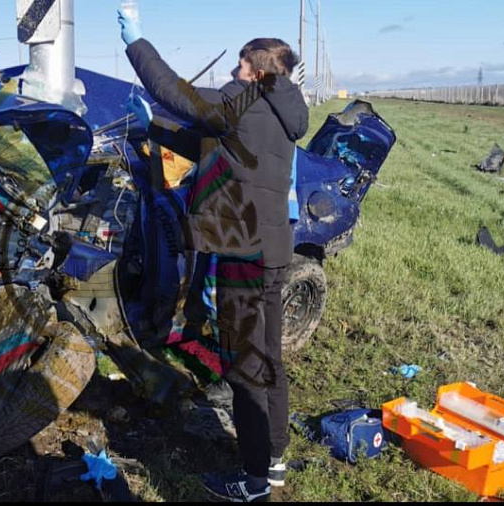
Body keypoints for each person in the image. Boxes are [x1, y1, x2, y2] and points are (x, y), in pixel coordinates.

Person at [119, 9, 309, 503]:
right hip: (271, 252)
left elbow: (174, 90)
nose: (233, 73)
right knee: (269, 358)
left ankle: (252, 481)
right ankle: (276, 458)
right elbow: (212, 141)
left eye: (241, 65)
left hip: (244, 254)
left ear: (258, 70)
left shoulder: (243, 101)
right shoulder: (280, 107)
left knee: (246, 366)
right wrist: (155, 129)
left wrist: (136, 40)